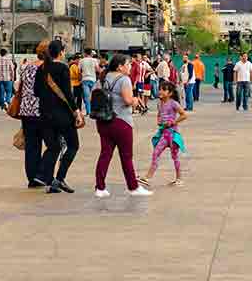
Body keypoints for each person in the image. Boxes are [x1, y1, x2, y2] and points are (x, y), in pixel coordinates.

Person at [93, 54, 149, 197]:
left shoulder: (103, 78)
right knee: (126, 156)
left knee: (105, 154)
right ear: (120, 66)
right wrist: (136, 100)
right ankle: (133, 187)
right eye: (128, 64)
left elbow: (92, 96)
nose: (130, 66)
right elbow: (128, 100)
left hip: (103, 121)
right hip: (121, 121)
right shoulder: (124, 79)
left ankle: (100, 188)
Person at [35, 39, 83, 194]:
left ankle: (43, 176)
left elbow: (36, 92)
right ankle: (59, 178)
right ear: (61, 52)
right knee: (73, 145)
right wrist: (76, 111)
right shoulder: (62, 68)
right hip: (62, 115)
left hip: (44, 114)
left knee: (53, 146)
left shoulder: (41, 69)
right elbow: (68, 94)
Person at [144, 82, 189, 186]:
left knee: (175, 157)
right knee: (156, 152)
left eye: (163, 89)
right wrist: (159, 121)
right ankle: (148, 177)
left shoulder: (173, 103)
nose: (160, 91)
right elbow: (159, 115)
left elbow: (184, 115)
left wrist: (173, 122)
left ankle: (179, 178)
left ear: (170, 93)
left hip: (172, 135)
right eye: (160, 89)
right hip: (163, 134)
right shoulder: (159, 103)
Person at [14, 51, 46, 189]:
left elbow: (19, 86)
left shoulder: (27, 67)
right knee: (53, 145)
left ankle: (32, 178)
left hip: (26, 110)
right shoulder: (46, 69)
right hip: (42, 110)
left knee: (32, 145)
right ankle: (41, 174)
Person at [78, 49, 100, 113]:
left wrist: (80, 78)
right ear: (91, 53)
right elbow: (97, 70)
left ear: (85, 53)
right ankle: (94, 110)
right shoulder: (94, 60)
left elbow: (79, 71)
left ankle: (88, 112)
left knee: (87, 97)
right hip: (93, 80)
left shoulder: (81, 61)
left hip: (85, 80)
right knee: (93, 96)